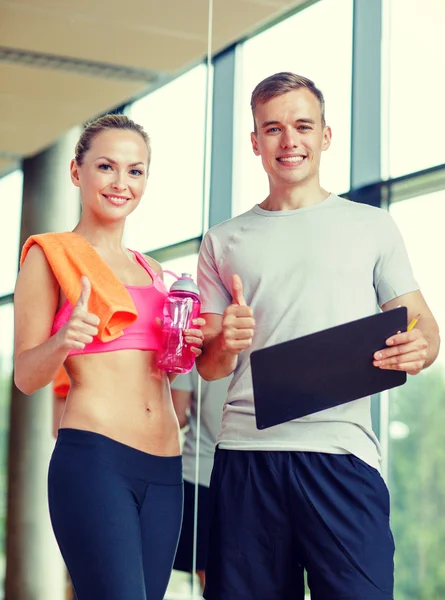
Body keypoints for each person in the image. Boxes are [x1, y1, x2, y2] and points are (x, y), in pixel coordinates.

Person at [196, 72, 440, 600]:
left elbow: (422, 324)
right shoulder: (222, 240)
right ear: (255, 141)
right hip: (247, 457)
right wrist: (226, 342)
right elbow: (210, 366)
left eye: (303, 126)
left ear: (325, 135)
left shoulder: (372, 225)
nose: (290, 142)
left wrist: (421, 346)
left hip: (342, 453)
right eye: (274, 129)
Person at [13, 114, 205, 600]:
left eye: (135, 171)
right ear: (77, 173)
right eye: (106, 167)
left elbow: (166, 367)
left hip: (166, 470)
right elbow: (26, 377)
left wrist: (192, 342)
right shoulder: (50, 256)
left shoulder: (155, 270)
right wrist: (62, 343)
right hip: (96, 462)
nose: (121, 183)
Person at [171, 368, 230, 591]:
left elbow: (177, 415)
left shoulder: (194, 341)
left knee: (207, 573)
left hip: (200, 470)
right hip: (252, 469)